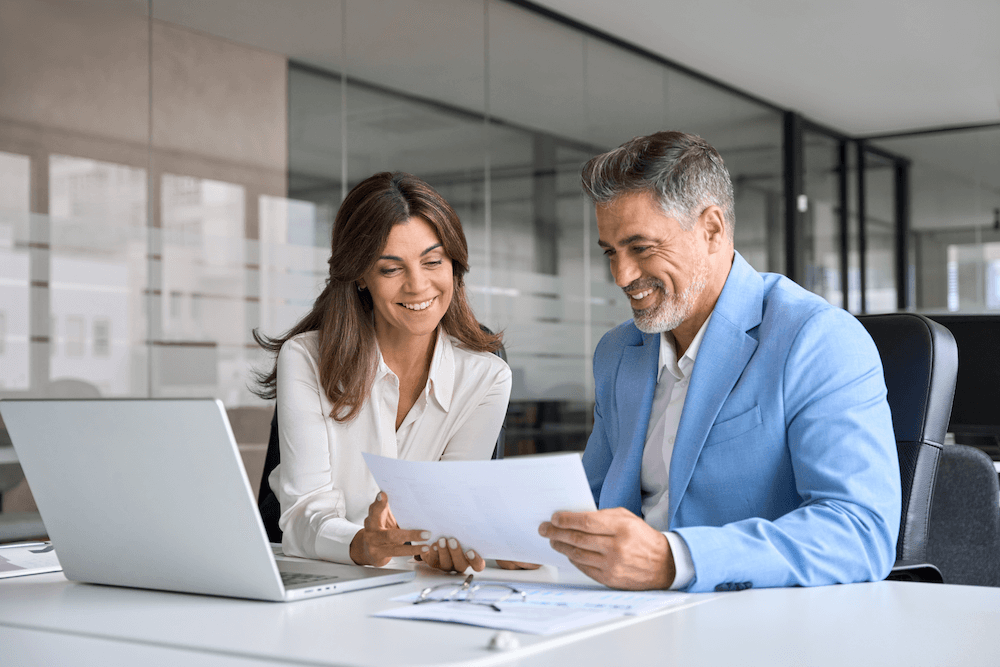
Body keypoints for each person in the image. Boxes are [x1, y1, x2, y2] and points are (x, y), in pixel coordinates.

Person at [538, 131, 901, 592]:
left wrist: (677, 560)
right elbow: (587, 503)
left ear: (711, 229)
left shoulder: (816, 339)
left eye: (641, 247)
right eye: (611, 252)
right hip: (624, 612)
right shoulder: (619, 353)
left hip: (755, 621)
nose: (621, 275)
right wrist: (519, 544)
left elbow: (860, 530)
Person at [253, 171, 511, 573]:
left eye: (432, 261)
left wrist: (471, 540)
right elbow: (303, 514)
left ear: (454, 265)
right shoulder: (305, 358)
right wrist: (362, 544)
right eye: (391, 269)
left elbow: (448, 517)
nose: (418, 285)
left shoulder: (487, 377)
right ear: (360, 275)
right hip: (315, 576)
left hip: (410, 585)